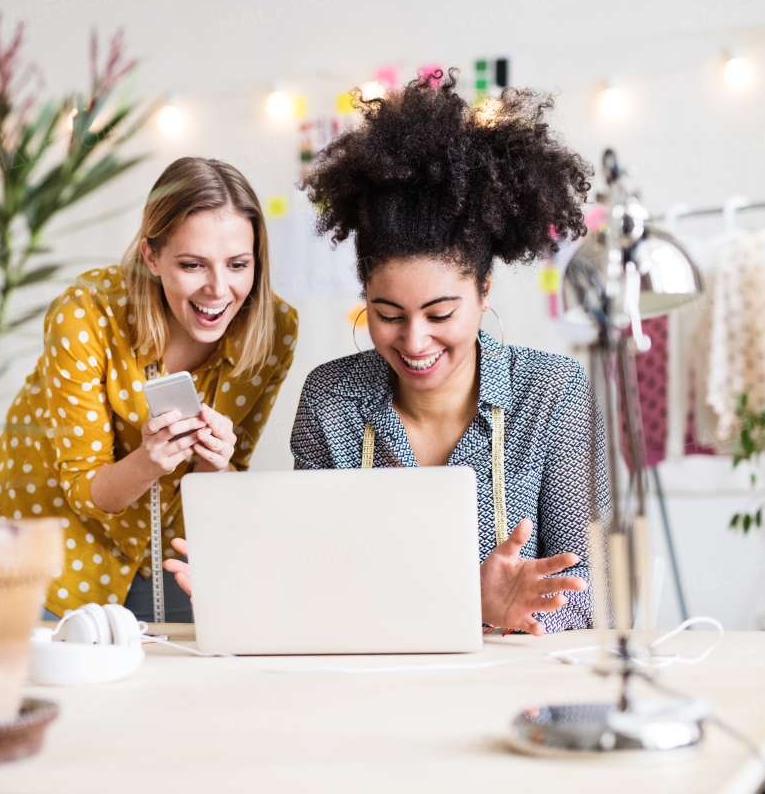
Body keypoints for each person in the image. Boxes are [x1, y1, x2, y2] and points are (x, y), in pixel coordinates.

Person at [168, 73, 604, 636]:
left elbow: (596, 590)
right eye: (388, 315)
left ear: (484, 290)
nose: (415, 342)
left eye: (441, 314)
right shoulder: (332, 401)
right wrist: (252, 588)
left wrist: (503, 607)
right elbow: (323, 581)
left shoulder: (551, 392)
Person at [0, 157, 299, 622]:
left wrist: (215, 466)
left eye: (238, 264)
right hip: (51, 549)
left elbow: (220, 489)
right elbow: (85, 489)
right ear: (151, 256)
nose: (218, 289)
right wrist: (149, 462)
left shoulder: (274, 331)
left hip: (164, 552)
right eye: (192, 264)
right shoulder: (85, 314)